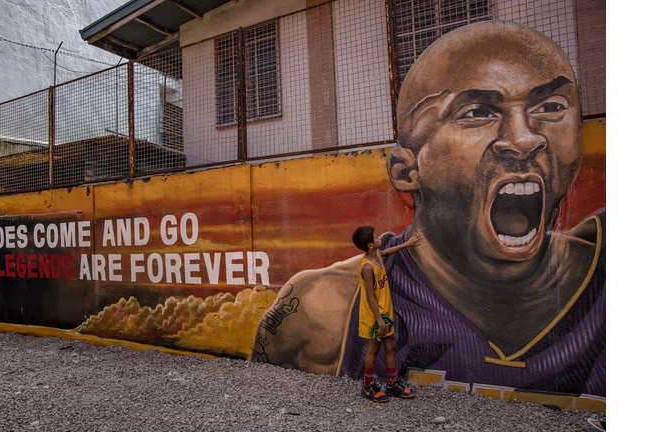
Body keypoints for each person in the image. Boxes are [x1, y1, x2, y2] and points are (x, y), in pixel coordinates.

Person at [250, 20, 604, 400]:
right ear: (406, 172)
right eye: (476, 112)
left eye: (550, 107)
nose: (524, 139)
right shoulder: (322, 309)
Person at [351, 226, 423, 401]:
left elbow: (387, 252)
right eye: (376, 237)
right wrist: (380, 322)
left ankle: (392, 384)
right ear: (370, 244)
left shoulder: (375, 256)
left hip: (385, 314)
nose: (379, 237)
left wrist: (408, 244)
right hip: (373, 317)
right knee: (373, 349)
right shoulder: (367, 267)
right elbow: (369, 297)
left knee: (390, 346)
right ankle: (367, 387)